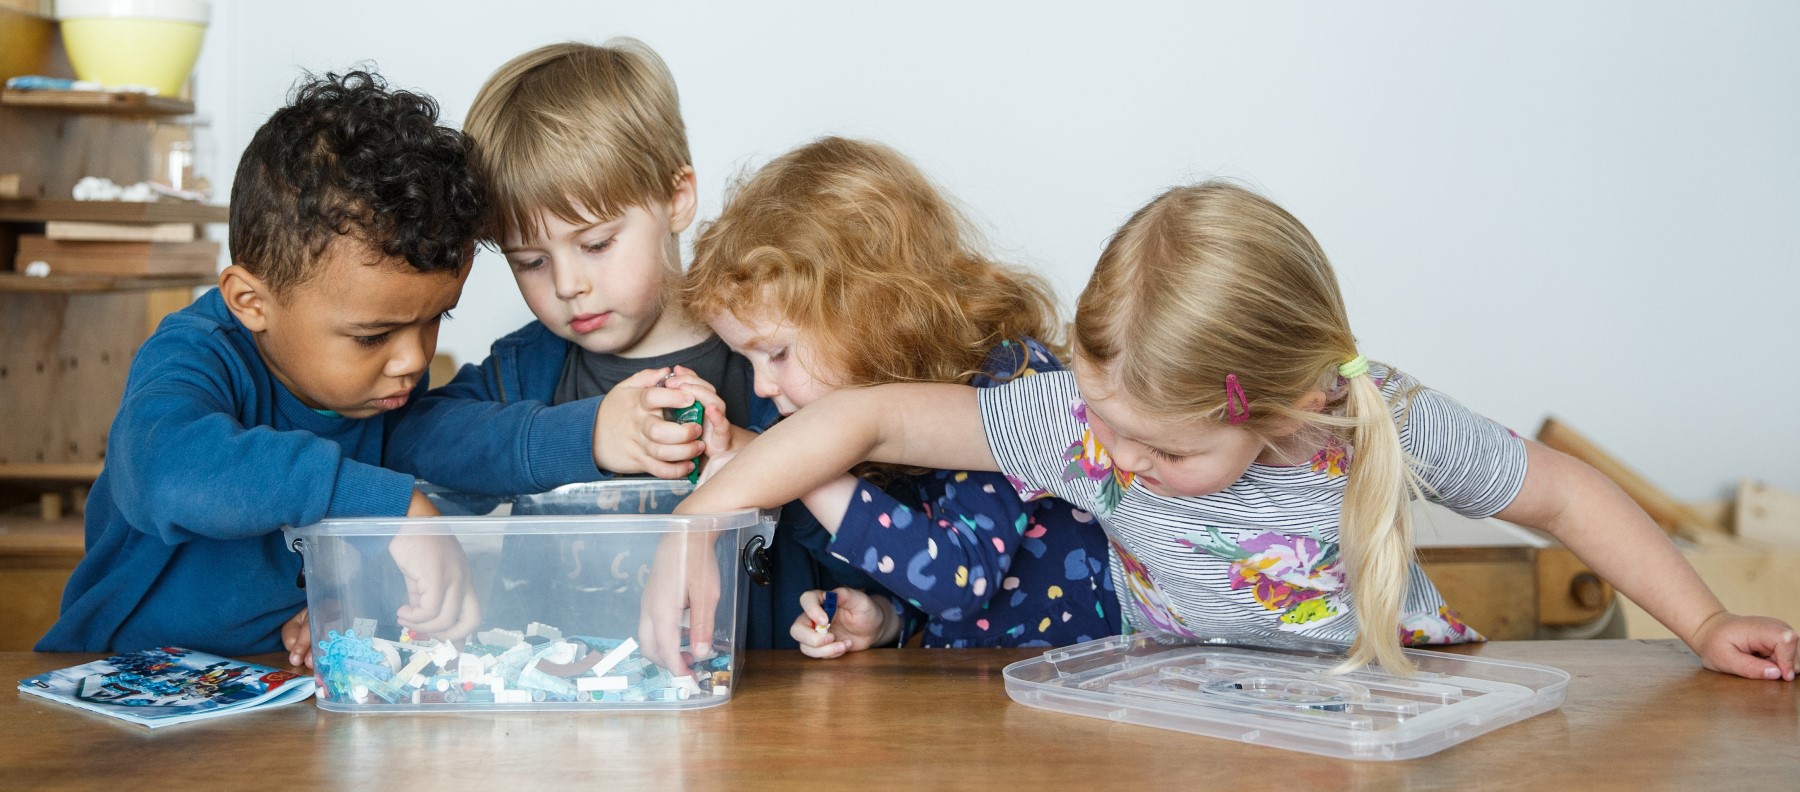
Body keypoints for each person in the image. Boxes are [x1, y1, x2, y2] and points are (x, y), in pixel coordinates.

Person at [672, 180, 1798, 681]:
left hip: (1387, 714)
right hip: (1197, 714)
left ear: (1277, 406)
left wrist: (1700, 623)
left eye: (1162, 453)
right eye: (1108, 423)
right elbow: (865, 414)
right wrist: (699, 520)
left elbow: (1559, 492)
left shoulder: (1370, 416)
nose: (1118, 464)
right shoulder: (1080, 420)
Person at [384, 40, 882, 650]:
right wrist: (587, 434)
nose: (568, 284)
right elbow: (410, 440)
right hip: (554, 707)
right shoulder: (528, 366)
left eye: (595, 244)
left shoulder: (769, 360)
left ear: (676, 199)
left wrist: (754, 459)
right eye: (532, 261)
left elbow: (862, 529)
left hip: (752, 706)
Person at [37, 70, 486, 663]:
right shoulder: (195, 354)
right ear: (252, 303)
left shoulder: (377, 385)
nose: (414, 358)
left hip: (277, 681)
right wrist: (387, 504)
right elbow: (163, 474)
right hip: (123, 675)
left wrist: (341, 598)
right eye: (373, 335)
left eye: (436, 320)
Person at [654, 137, 1117, 663]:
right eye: (748, 361)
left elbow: (960, 581)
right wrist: (886, 618)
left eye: (777, 353)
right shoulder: (874, 406)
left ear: (869, 312)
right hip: (975, 699)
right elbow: (940, 591)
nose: (761, 386)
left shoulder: (1008, 381)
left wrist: (801, 466)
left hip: (1074, 691)